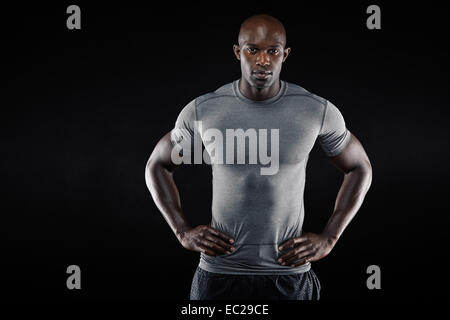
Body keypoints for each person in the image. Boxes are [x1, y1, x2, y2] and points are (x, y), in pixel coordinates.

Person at [145, 14, 372, 300]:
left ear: (284, 55)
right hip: (219, 274)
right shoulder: (205, 111)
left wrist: (330, 237)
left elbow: (359, 167)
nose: (262, 61)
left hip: (288, 276)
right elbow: (158, 164)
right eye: (253, 49)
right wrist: (182, 231)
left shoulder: (315, 111)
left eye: (272, 51)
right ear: (238, 52)